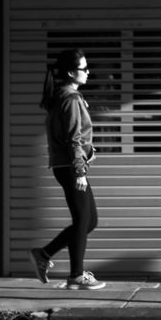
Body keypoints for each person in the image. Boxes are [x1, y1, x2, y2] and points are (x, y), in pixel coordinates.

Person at [29, 48, 105, 290]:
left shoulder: (62, 97)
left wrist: (86, 156)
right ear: (72, 72)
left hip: (67, 166)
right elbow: (74, 139)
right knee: (84, 219)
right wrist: (80, 170)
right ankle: (76, 275)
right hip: (71, 168)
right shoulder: (70, 100)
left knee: (88, 220)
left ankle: (46, 254)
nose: (88, 72)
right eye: (84, 68)